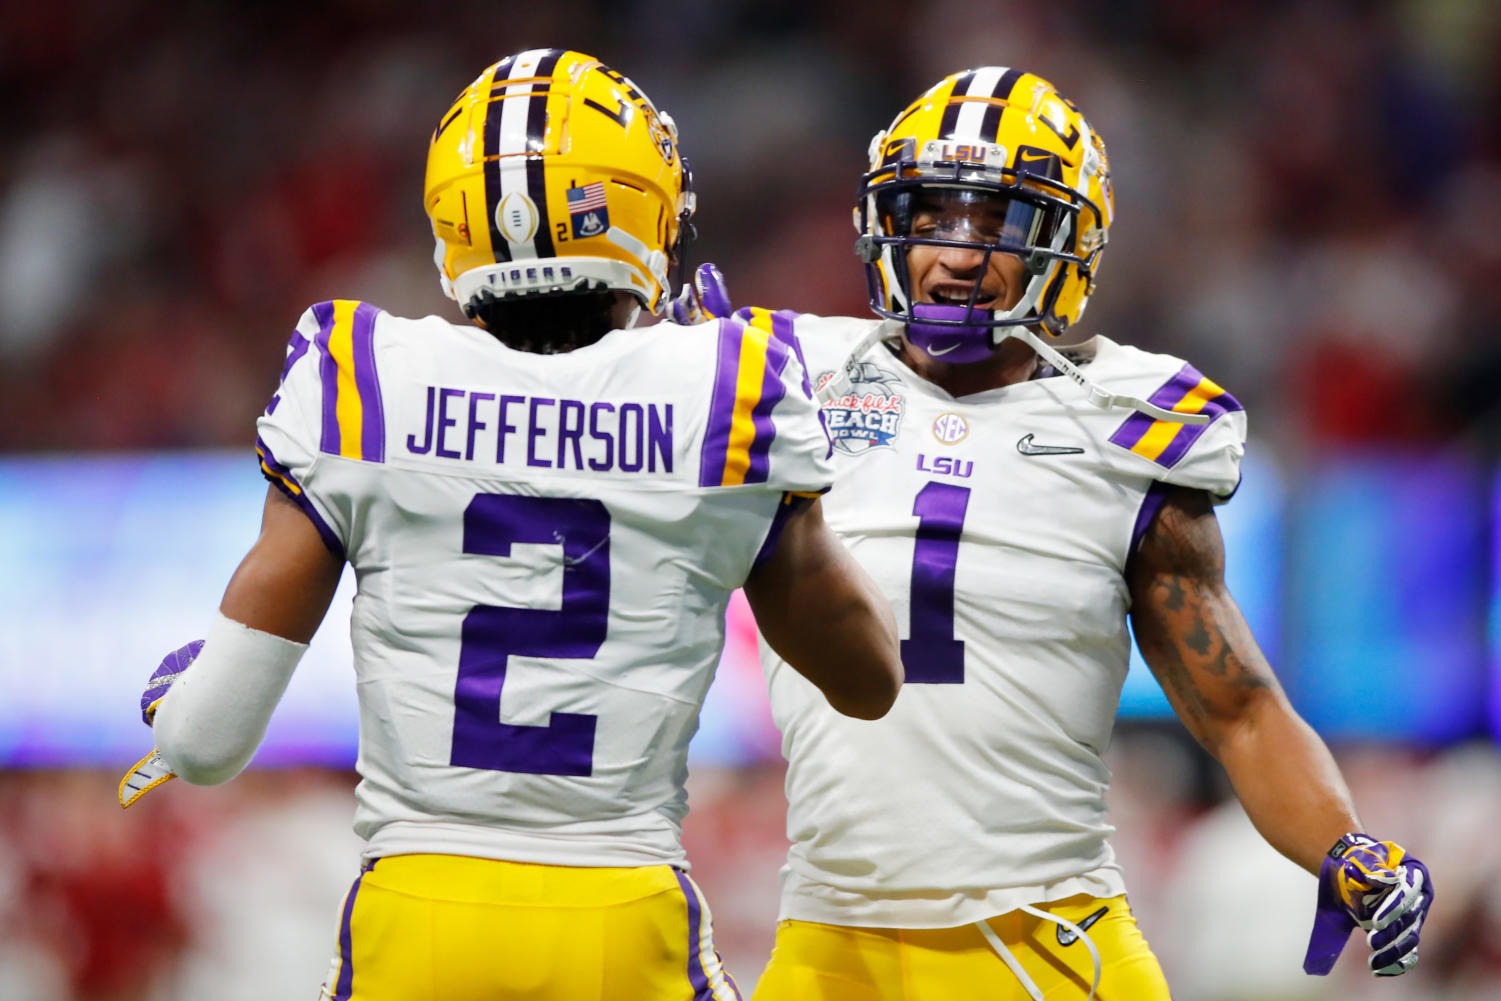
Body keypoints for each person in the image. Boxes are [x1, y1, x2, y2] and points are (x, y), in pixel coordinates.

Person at [116, 48, 903, 1001]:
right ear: (639, 212)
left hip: (418, 911)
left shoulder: (362, 372)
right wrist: (775, 481)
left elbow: (206, 744)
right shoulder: (731, 386)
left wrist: (176, 694)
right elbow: (867, 680)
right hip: (620, 911)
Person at [687, 67, 1433, 1000]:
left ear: (1064, 241)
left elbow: (1237, 707)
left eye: (995, 223)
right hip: (831, 937)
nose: (954, 255)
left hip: (1044, 939)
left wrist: (1344, 844)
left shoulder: (1128, 425)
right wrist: (661, 378)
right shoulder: (788, 373)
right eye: (931, 217)